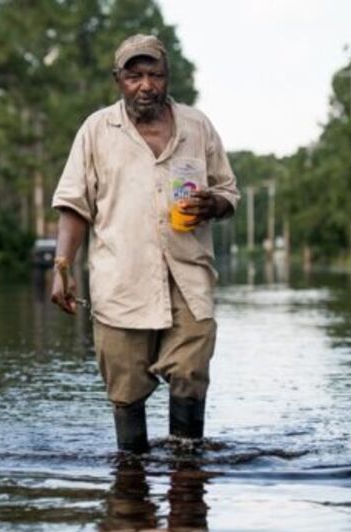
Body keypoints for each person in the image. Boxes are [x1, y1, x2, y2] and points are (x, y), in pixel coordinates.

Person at [50, 34, 239, 454]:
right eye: (134, 75)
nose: (146, 85)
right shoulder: (97, 130)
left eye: (154, 74)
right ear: (119, 80)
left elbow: (229, 190)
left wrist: (216, 203)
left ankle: (186, 483)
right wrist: (62, 267)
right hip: (122, 280)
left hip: (189, 274)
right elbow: (74, 206)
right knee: (126, 385)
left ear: (167, 77)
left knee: (191, 370)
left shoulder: (197, 126)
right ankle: (131, 495)